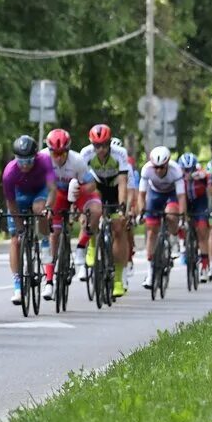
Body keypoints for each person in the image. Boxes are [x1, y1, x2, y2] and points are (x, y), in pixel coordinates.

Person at [1, 135, 56, 304]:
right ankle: (17, 286)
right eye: (21, 161)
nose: (25, 165)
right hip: (19, 196)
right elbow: (10, 202)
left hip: (39, 193)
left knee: (39, 209)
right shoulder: (10, 172)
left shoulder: (45, 160)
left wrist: (48, 208)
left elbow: (53, 190)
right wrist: (19, 228)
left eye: (29, 161)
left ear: (36, 156)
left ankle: (44, 241)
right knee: (16, 241)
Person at [41, 128, 95, 298]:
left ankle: (81, 247)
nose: (58, 157)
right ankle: (49, 281)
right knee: (54, 234)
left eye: (62, 153)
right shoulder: (42, 159)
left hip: (76, 191)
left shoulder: (77, 160)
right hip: (54, 194)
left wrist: (80, 191)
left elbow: (91, 186)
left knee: (92, 212)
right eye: (54, 153)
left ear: (68, 151)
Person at [80, 124, 132, 297]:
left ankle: (117, 279)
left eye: (104, 145)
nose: (101, 149)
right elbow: (80, 182)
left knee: (118, 228)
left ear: (109, 143)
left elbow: (123, 182)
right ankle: (92, 244)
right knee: (92, 210)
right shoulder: (85, 154)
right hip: (97, 186)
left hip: (115, 187)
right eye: (97, 145)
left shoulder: (120, 154)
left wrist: (122, 209)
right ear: (91, 144)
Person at [138, 146, 186, 289]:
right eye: (156, 168)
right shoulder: (146, 170)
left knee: (171, 214)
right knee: (152, 231)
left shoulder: (175, 170)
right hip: (155, 194)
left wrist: (181, 217)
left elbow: (181, 196)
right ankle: (150, 272)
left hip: (171, 194)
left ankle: (174, 238)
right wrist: (142, 211)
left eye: (162, 167)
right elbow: (141, 195)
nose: (158, 170)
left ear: (167, 164)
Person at [180, 152, 210, 282]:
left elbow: (209, 176)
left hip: (200, 204)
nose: (187, 173)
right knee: (182, 223)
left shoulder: (200, 174)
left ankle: (204, 266)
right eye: (184, 170)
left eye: (190, 170)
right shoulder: (177, 175)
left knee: (202, 232)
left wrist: (200, 175)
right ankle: (184, 246)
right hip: (185, 202)